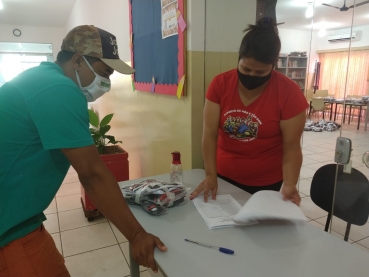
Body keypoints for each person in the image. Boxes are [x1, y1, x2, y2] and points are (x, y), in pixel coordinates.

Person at [0, 25, 166, 277]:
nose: (106, 84)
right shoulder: (59, 89)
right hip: (9, 233)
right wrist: (136, 234)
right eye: (104, 73)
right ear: (78, 60)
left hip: (20, 220)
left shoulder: (40, 79)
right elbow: (92, 174)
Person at [190, 18, 308, 205]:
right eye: (245, 69)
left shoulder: (289, 92)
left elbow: (291, 146)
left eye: (260, 72)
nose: (251, 76)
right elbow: (209, 133)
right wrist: (210, 174)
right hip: (223, 175)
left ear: (273, 64)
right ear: (239, 57)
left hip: (266, 182)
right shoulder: (220, 84)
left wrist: (290, 183)